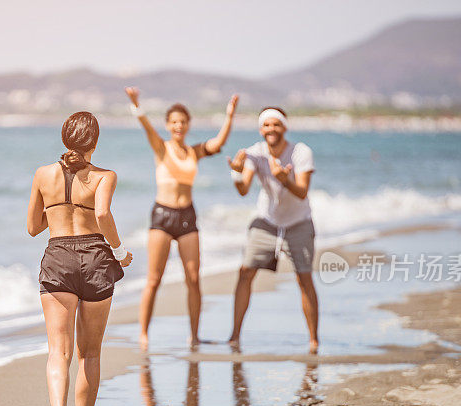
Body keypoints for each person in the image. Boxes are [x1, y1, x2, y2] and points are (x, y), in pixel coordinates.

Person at [27, 111, 133, 406]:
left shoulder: (43, 174)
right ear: (95, 142)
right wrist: (119, 250)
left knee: (59, 352)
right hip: (96, 258)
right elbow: (102, 215)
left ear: (64, 138)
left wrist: (58, 208)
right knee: (90, 354)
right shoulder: (105, 176)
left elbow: (32, 227)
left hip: (58, 257)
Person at [125, 86, 238, 350]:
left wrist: (229, 116)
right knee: (154, 279)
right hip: (162, 216)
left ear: (188, 125)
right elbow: (145, 126)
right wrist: (136, 104)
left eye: (183, 122)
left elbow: (218, 144)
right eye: (174, 122)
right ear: (168, 125)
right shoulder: (161, 148)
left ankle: (195, 335)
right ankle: (143, 333)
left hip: (187, 216)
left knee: (193, 278)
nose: (179, 126)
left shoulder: (194, 151)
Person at [227, 107, 319, 354]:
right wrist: (236, 173)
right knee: (245, 271)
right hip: (266, 221)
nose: (271, 129)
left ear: (284, 128)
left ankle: (313, 341)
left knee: (304, 278)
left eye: (276, 125)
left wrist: (284, 179)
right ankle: (234, 336)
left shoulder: (301, 152)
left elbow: (302, 192)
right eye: (266, 125)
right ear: (260, 129)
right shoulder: (255, 154)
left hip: (299, 221)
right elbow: (244, 190)